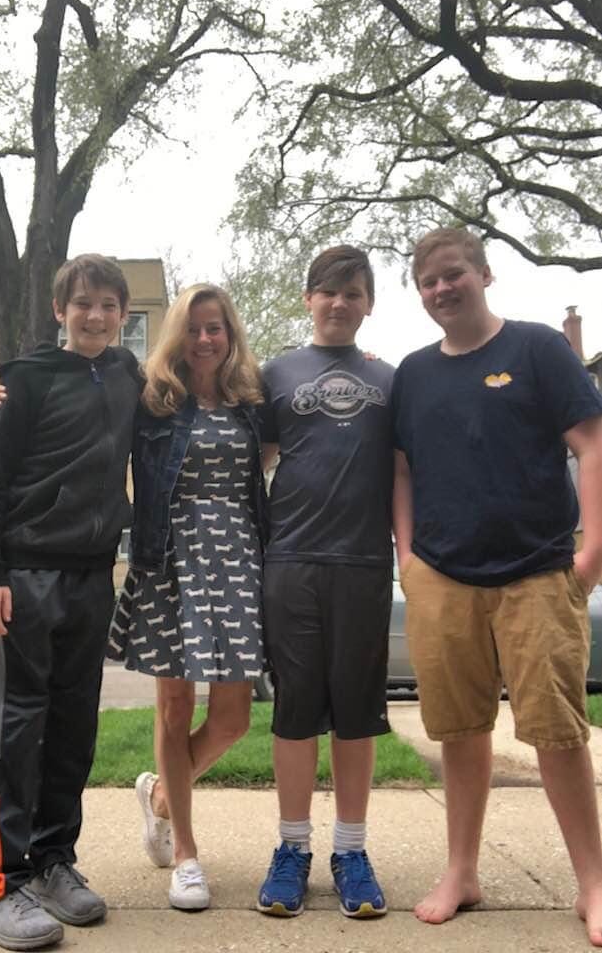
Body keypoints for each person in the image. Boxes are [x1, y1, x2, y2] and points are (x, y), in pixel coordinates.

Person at [392, 226, 602, 946]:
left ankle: (592, 884)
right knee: (458, 730)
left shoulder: (537, 348)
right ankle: (461, 871)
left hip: (537, 572)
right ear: (419, 295)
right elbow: (401, 468)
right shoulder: (414, 374)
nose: (442, 289)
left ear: (483, 274)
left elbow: (590, 440)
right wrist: (407, 558)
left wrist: (594, 547)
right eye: (428, 282)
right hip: (442, 576)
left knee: (556, 734)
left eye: (453, 274)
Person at [0, 254, 140, 951]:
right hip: (24, 574)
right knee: (12, 731)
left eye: (107, 304)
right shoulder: (28, 381)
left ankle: (50, 862)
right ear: (59, 311)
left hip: (91, 577)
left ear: (123, 314)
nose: (94, 315)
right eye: (82, 304)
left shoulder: (129, 375)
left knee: (72, 729)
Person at [107, 283, 267, 911]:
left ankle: (158, 800)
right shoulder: (151, 400)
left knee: (233, 719)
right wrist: (8, 407)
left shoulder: (253, 399)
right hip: (170, 557)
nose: (205, 339)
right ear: (179, 334)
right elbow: (82, 416)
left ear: (230, 335)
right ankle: (186, 853)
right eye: (195, 328)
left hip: (239, 560)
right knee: (174, 708)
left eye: (216, 328)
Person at [256, 245, 394, 918]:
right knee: (295, 710)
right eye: (327, 291)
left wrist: (409, 548)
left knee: (356, 713)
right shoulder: (274, 373)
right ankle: (290, 850)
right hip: (289, 563)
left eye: (353, 292)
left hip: (364, 566)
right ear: (307, 297)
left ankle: (350, 850)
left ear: (368, 303)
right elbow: (251, 461)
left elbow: (402, 469)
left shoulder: (392, 379)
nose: (339, 303)